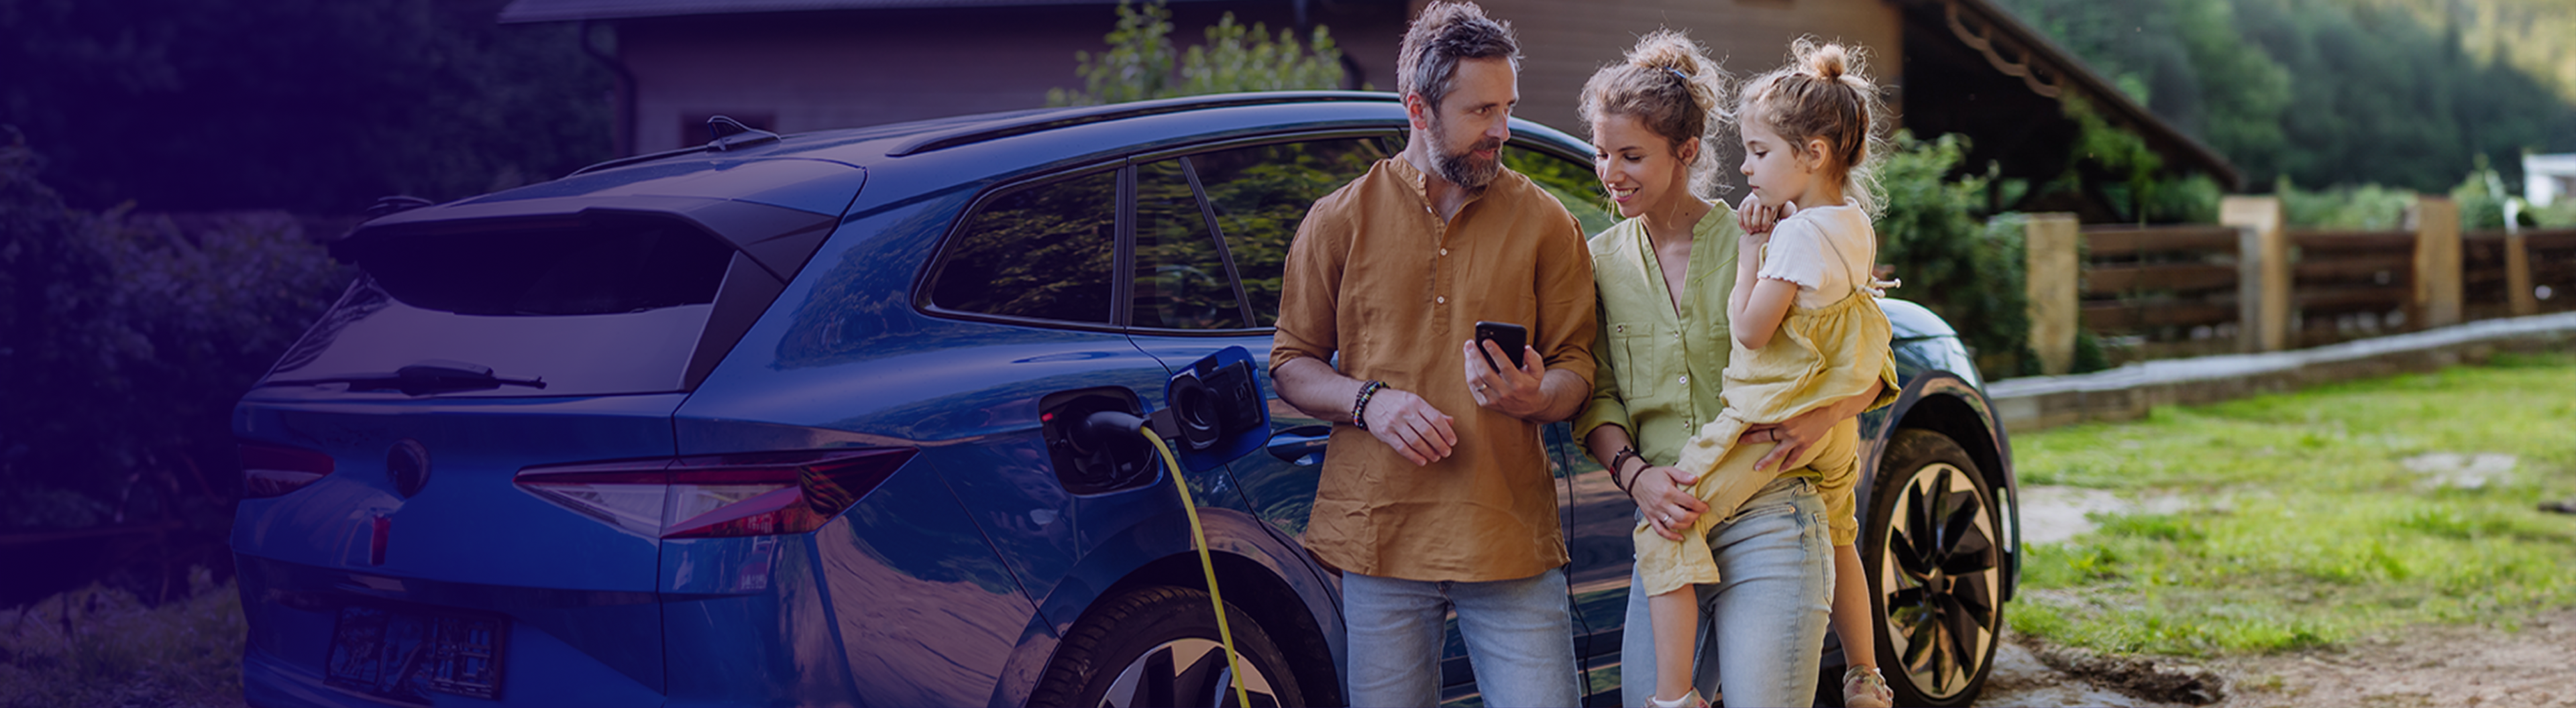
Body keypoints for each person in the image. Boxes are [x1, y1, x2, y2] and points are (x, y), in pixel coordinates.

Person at [1267, 3, 1598, 705]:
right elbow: (1292, 363)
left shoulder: (1548, 224)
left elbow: (1578, 369)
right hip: (1379, 540)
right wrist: (1369, 402)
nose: (1502, 130)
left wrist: (1539, 397)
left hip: (1506, 537)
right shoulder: (1338, 220)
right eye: (1481, 111)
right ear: (1419, 108)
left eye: (1506, 108)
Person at [1570, 32, 1898, 707]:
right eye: (1603, 154)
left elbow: (1864, 355)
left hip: (1775, 511)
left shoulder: (1771, 231)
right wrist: (1638, 479)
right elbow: (1596, 395)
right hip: (1670, 516)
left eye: (1631, 156)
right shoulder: (1597, 261)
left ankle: (1866, 675)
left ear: (1686, 153)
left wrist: (1823, 417)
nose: (1611, 172)